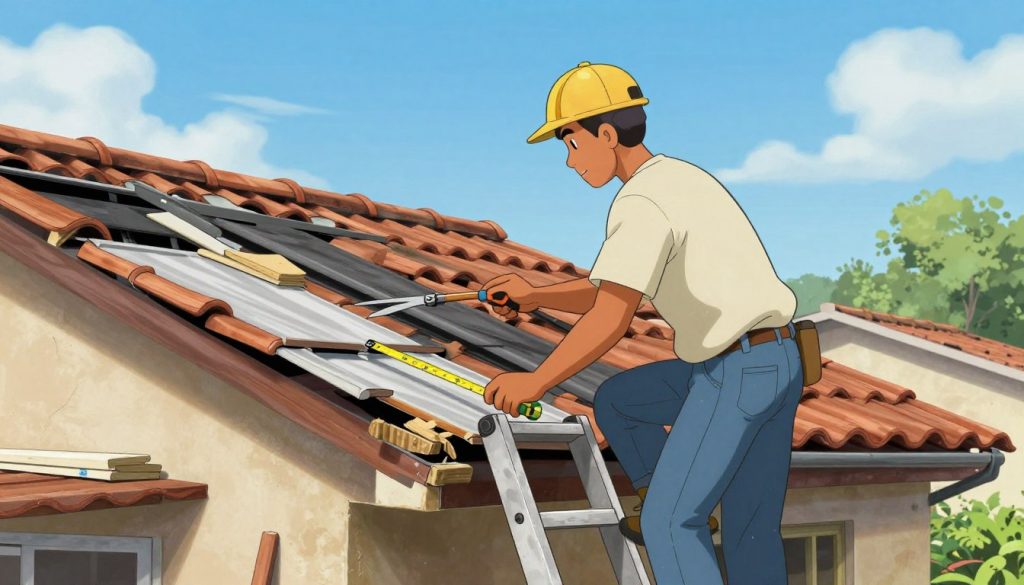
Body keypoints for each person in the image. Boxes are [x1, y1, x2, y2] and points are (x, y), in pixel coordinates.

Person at [482, 61, 803, 584]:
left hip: (734, 372)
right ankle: (673, 485)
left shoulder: (640, 201)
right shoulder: (678, 177)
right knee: (624, 404)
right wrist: (535, 294)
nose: (568, 160)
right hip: (777, 360)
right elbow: (611, 286)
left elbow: (611, 314)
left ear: (606, 134)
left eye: (571, 142)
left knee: (671, 524)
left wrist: (534, 383)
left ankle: (671, 499)